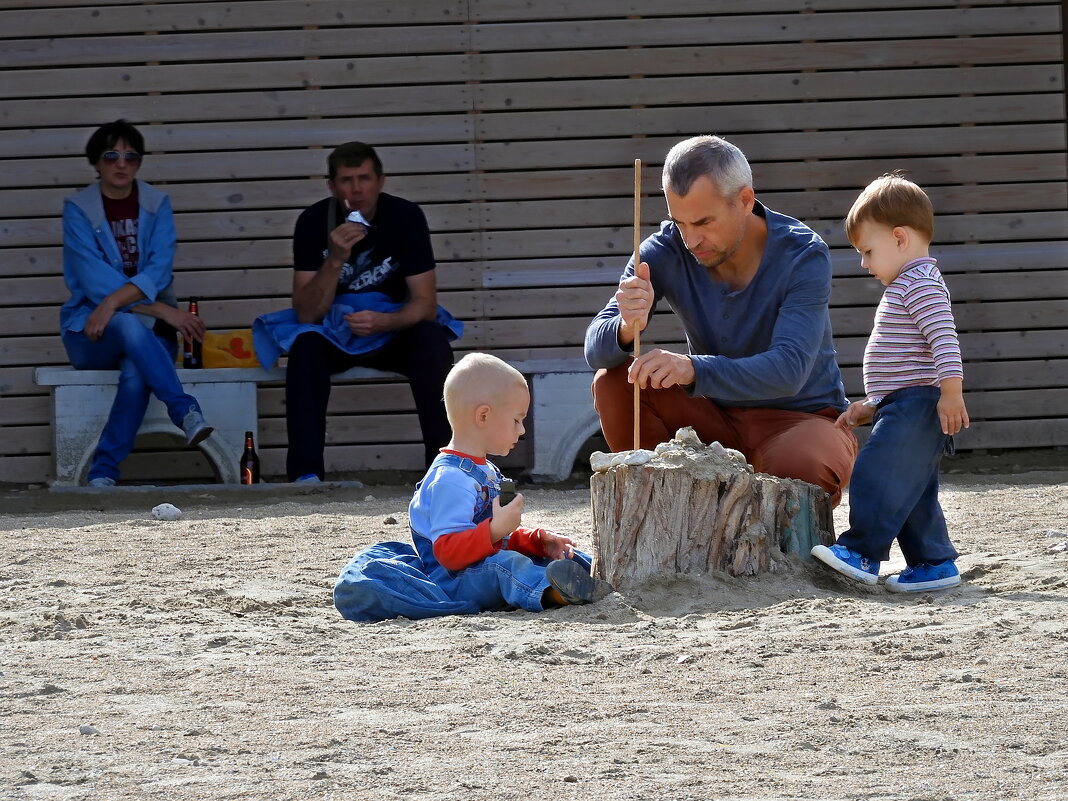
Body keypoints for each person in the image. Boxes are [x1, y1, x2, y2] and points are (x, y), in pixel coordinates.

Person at [585, 135, 857, 505]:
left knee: (798, 467)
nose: (691, 239)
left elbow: (789, 370)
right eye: (679, 222)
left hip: (800, 420)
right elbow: (595, 351)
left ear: (745, 200)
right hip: (710, 421)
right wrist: (624, 326)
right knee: (617, 381)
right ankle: (667, 513)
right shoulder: (664, 250)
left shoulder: (803, 253)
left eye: (704, 222)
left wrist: (693, 370)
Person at [812, 174, 968, 592]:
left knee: (877, 474)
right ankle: (934, 563)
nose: (864, 263)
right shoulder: (910, 283)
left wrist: (951, 391)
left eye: (867, 251)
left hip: (918, 406)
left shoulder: (919, 283)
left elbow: (943, 338)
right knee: (912, 490)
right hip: (906, 404)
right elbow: (908, 365)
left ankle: (860, 551)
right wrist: (874, 405)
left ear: (899, 238)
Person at [281, 141, 459, 483]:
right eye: (347, 180)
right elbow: (305, 314)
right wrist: (334, 259)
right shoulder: (313, 221)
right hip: (334, 330)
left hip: (392, 328)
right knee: (304, 349)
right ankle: (305, 477)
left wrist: (386, 321)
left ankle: (445, 472)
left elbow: (425, 303)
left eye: (364, 178)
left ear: (380, 181)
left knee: (432, 342)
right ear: (332, 186)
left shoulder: (405, 217)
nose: (356, 189)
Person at [61, 119, 213, 487]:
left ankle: (103, 472)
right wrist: (159, 309)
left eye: (131, 156)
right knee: (127, 324)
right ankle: (184, 408)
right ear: (96, 162)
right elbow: (94, 281)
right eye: (111, 155)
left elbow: (159, 271)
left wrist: (115, 302)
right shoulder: (78, 210)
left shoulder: (157, 204)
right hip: (90, 329)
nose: (121, 163)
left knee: (135, 372)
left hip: (142, 334)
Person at [408, 353, 613, 612]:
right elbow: (449, 554)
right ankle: (558, 594)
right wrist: (495, 529)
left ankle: (595, 577)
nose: (522, 429)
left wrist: (536, 540)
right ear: (483, 416)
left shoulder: (484, 470)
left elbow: (496, 539)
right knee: (507, 566)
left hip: (482, 564)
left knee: (553, 556)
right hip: (455, 581)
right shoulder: (449, 481)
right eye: (517, 419)